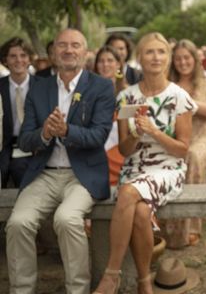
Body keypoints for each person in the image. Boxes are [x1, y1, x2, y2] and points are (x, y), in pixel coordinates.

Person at [5, 28, 115, 294]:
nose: (68, 50)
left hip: (82, 176)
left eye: (75, 45)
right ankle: (22, 290)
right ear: (53, 53)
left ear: (85, 52)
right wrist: (45, 132)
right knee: (18, 223)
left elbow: (99, 136)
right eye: (62, 45)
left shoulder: (100, 86)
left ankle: (77, 290)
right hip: (44, 173)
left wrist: (66, 131)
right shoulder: (38, 88)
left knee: (67, 219)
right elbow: (27, 140)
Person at [93, 32, 194, 294]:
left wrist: (154, 131)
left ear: (168, 58)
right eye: (149, 52)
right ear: (139, 58)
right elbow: (126, 150)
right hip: (135, 168)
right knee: (138, 212)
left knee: (127, 192)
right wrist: (138, 133)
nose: (156, 57)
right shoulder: (127, 97)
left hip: (168, 169)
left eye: (161, 52)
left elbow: (183, 150)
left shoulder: (178, 96)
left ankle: (111, 276)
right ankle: (144, 281)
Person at [163, 39, 206, 248]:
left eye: (186, 57)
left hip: (204, 137)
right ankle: (167, 225)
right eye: (178, 58)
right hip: (176, 136)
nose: (182, 62)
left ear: (195, 59)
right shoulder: (167, 83)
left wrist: (187, 102)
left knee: (193, 156)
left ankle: (192, 227)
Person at [0, 37, 39, 188]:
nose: (18, 60)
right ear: (5, 60)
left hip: (33, 145)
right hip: (5, 144)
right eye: (13, 56)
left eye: (23, 56)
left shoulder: (42, 86)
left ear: (29, 59)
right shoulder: (0, 86)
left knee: (22, 171)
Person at [94, 45, 129, 186]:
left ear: (119, 64)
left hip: (122, 155)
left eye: (110, 60)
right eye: (101, 61)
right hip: (97, 156)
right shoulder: (87, 93)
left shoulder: (129, 93)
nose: (105, 65)